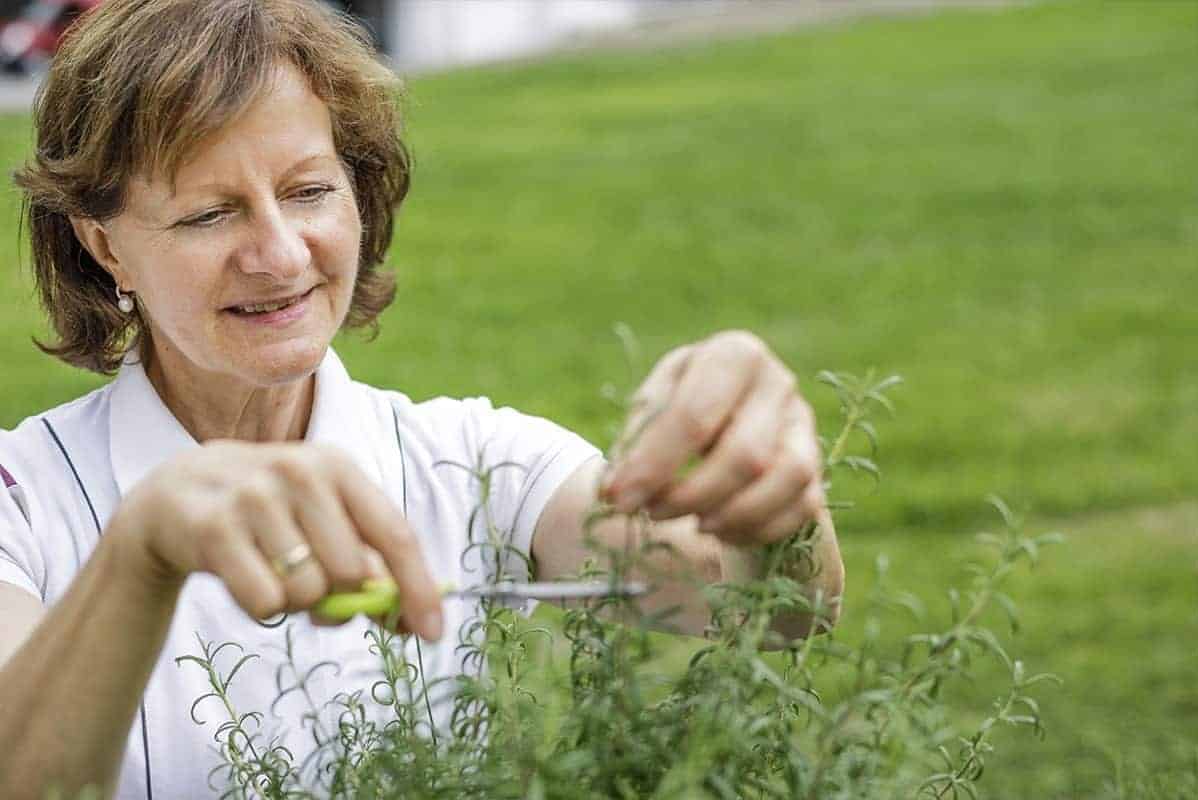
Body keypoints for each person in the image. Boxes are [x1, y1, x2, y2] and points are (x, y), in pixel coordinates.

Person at [0, 0, 843, 797]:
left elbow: (775, 613)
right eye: (210, 214)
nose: (282, 256)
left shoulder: (472, 463)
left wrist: (771, 498)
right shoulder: (24, 502)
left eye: (309, 191)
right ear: (105, 245)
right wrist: (141, 556)